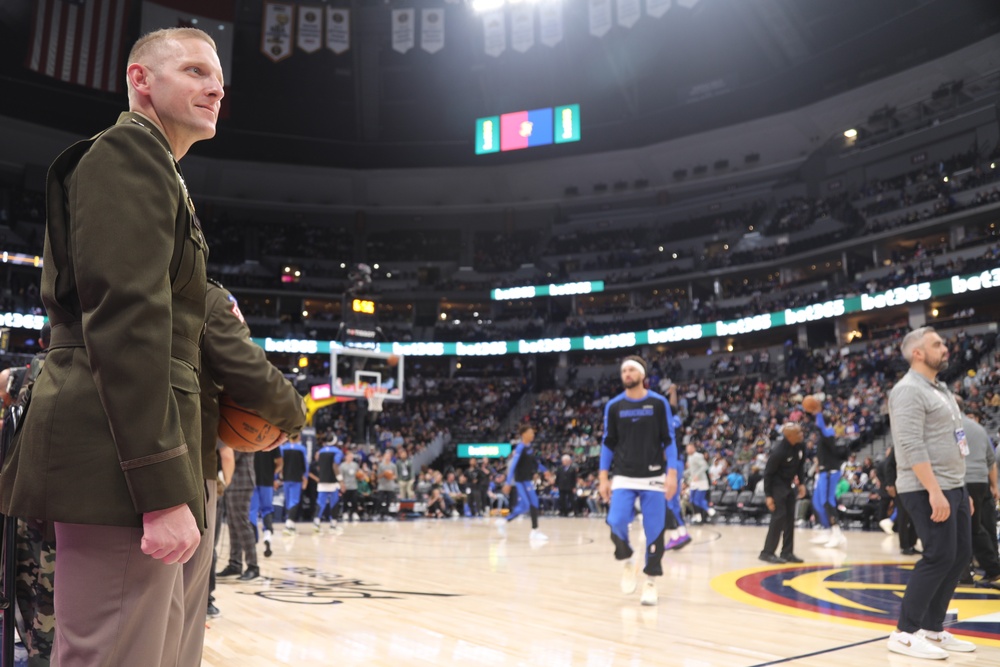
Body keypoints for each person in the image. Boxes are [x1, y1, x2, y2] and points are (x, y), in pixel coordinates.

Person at [0, 27, 223, 666]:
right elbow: (127, 327)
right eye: (195, 71)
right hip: (118, 465)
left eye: (219, 79)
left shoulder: (159, 170)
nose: (214, 88)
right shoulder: (128, 155)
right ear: (141, 79)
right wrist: (160, 490)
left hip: (136, 454)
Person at [887, 327, 976, 659]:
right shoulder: (908, 390)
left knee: (960, 555)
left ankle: (933, 628)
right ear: (918, 353)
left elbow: (952, 439)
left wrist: (958, 488)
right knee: (938, 555)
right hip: (926, 487)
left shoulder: (939, 388)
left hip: (953, 484)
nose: (945, 348)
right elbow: (911, 445)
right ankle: (904, 632)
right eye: (937, 344)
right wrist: (936, 491)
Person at [598, 356, 678, 606]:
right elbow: (608, 442)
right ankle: (627, 559)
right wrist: (603, 476)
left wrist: (672, 473)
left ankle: (651, 582)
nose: (627, 373)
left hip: (654, 475)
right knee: (616, 521)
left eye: (632, 369)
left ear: (642, 374)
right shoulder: (613, 406)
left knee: (655, 530)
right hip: (623, 475)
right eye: (624, 370)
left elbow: (669, 439)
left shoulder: (658, 403)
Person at [962, 409, 1000, 586]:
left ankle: (967, 573)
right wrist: (993, 486)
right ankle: (992, 570)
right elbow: (991, 461)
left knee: (968, 529)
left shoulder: (954, 427)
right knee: (977, 528)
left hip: (964, 482)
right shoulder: (979, 430)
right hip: (981, 483)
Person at [760, 423, 807, 564]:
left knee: (789, 519)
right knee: (778, 517)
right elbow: (768, 474)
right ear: (790, 436)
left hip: (788, 485)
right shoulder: (779, 451)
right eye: (798, 433)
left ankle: (787, 552)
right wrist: (768, 496)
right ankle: (767, 552)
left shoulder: (801, 446)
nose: (801, 434)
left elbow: (800, 466)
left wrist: (802, 483)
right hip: (776, 485)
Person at [804, 398, 848, 549]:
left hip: (830, 471)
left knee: (828, 502)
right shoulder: (825, 433)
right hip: (823, 471)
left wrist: (818, 413)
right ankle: (828, 530)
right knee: (818, 502)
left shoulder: (828, 432)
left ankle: (837, 534)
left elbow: (820, 426)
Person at [498, 424, 549, 543]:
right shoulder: (520, 448)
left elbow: (535, 463)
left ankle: (535, 531)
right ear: (524, 435)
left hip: (527, 480)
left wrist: (545, 470)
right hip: (520, 481)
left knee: (535, 502)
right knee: (526, 505)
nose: (533, 435)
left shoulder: (530, 447)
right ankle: (504, 521)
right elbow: (513, 466)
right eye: (531, 432)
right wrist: (508, 482)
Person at [251, 448, 283, 556]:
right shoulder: (272, 439)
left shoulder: (249, 436)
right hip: (267, 481)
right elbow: (280, 463)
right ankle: (268, 535)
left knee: (252, 510)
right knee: (267, 509)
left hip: (252, 480)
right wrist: (272, 474)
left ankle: (252, 541)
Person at [313, 437, 344, 532]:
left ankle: (316, 523)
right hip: (332, 481)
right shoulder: (337, 451)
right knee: (334, 503)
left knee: (320, 503)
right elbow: (335, 465)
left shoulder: (320, 452)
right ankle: (333, 525)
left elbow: (319, 465)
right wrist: (341, 480)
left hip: (322, 480)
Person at [280, 437, 309, 532]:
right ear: (299, 437)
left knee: (288, 501)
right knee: (294, 501)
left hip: (286, 478)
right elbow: (305, 464)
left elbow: (280, 463)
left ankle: (290, 524)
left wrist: (277, 478)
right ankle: (289, 523)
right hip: (297, 478)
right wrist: (305, 478)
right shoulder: (302, 449)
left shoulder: (283, 448)